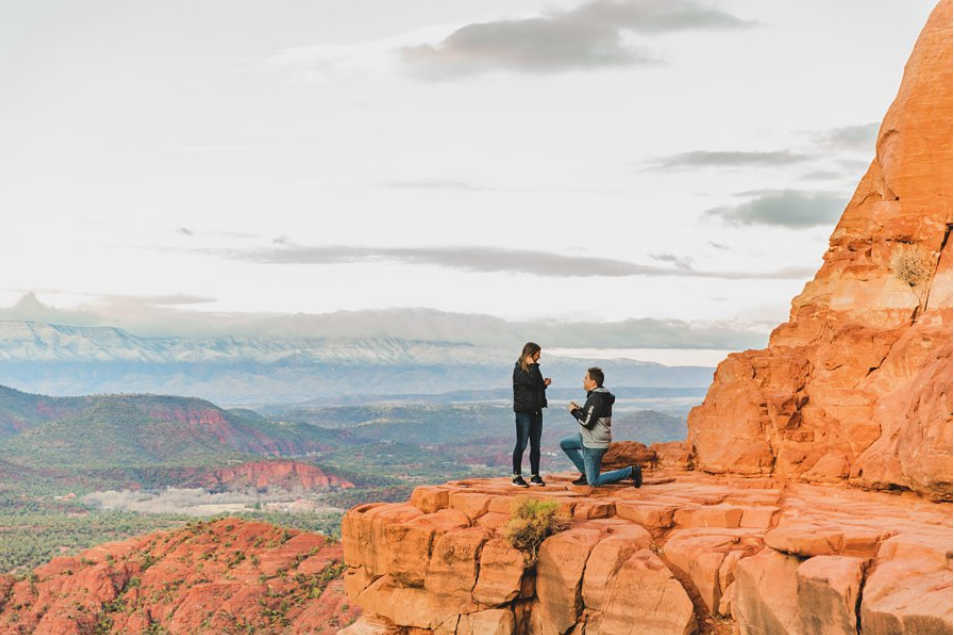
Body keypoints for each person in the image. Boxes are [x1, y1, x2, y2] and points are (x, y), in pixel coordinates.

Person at [560, 367, 641, 488]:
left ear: (593, 382)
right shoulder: (598, 396)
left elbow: (587, 422)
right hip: (587, 438)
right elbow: (593, 415)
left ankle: (630, 471)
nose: (583, 380)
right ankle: (585, 473)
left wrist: (573, 411)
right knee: (566, 444)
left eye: (586, 378)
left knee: (593, 482)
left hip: (594, 444)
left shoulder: (595, 398)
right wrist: (580, 409)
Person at [512, 342, 551, 487]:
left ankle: (535, 475)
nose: (539, 357)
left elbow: (537, 385)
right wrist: (533, 367)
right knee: (521, 444)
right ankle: (516, 476)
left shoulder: (534, 368)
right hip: (524, 412)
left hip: (536, 411)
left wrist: (544, 384)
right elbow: (531, 383)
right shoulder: (519, 369)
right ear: (530, 354)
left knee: (536, 445)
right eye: (537, 354)